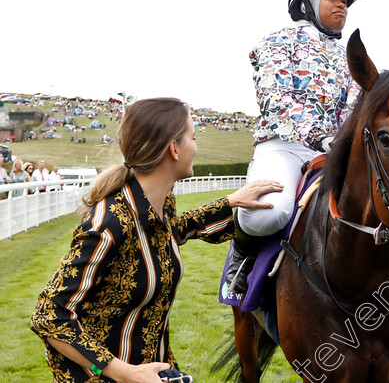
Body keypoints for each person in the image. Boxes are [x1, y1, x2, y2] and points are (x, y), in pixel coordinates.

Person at [30, 97, 283, 383]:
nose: (196, 146)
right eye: (193, 137)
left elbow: (173, 231)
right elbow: (49, 316)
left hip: (157, 370)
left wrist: (230, 203)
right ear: (174, 148)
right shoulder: (108, 225)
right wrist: (124, 373)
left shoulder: (158, 206)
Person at [224, 0, 364, 294]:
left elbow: (355, 104)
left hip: (333, 152)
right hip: (284, 146)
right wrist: (322, 136)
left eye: (345, 0)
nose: (342, 3)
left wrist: (347, 139)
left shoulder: (349, 56)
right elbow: (275, 96)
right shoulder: (277, 42)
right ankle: (241, 255)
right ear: (308, 3)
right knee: (266, 216)